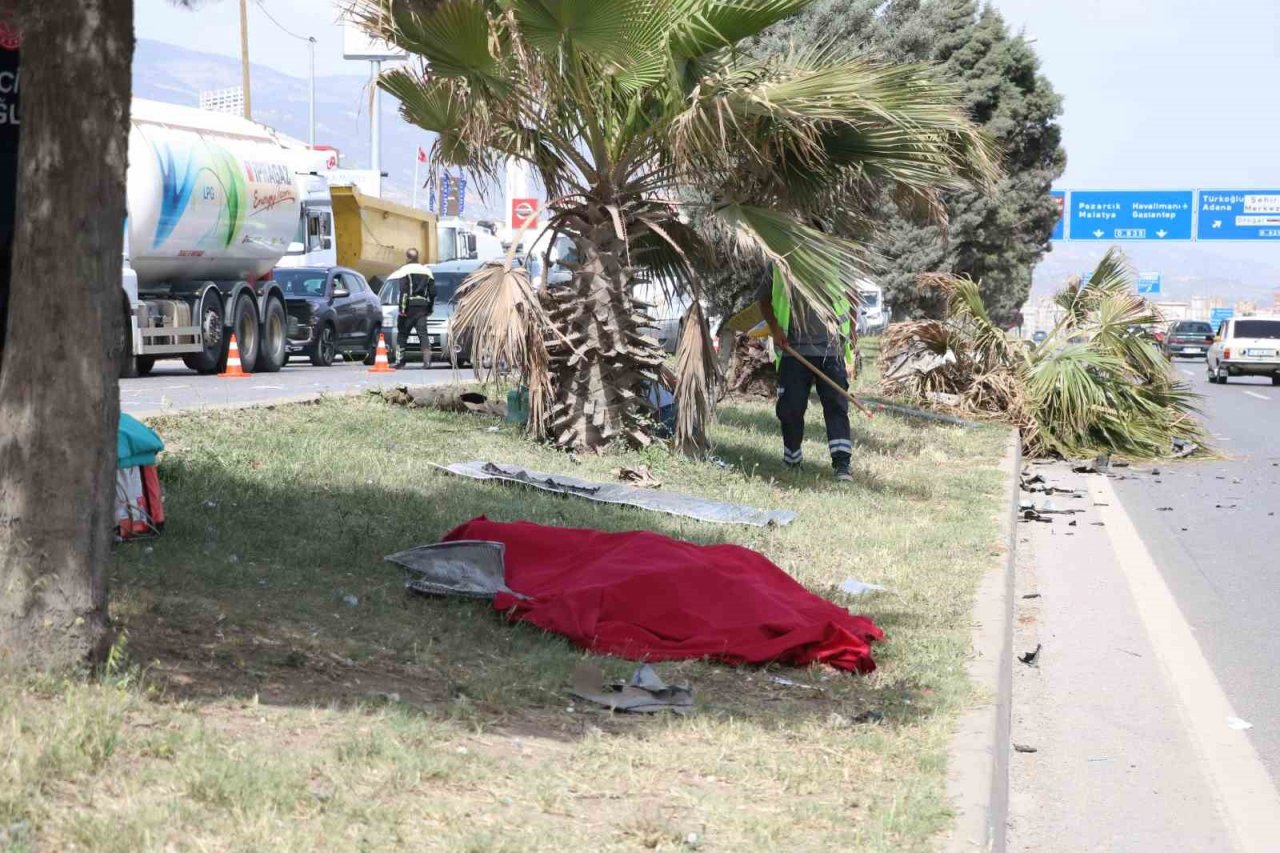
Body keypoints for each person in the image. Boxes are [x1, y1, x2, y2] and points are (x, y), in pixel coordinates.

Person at [756, 262, 855, 482]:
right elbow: (763, 300)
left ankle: (842, 464)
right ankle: (792, 459)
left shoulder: (833, 260)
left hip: (831, 349)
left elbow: (852, 300)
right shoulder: (778, 263)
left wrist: (852, 342)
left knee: (837, 406)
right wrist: (775, 329)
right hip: (793, 349)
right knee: (790, 409)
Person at [386, 248, 436, 368]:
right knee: (423, 335)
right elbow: (433, 292)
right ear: (417, 258)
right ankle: (427, 362)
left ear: (407, 258)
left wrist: (402, 310)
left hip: (409, 307)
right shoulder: (427, 271)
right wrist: (429, 307)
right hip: (422, 308)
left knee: (402, 335)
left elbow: (404, 292)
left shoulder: (404, 270)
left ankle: (400, 361)